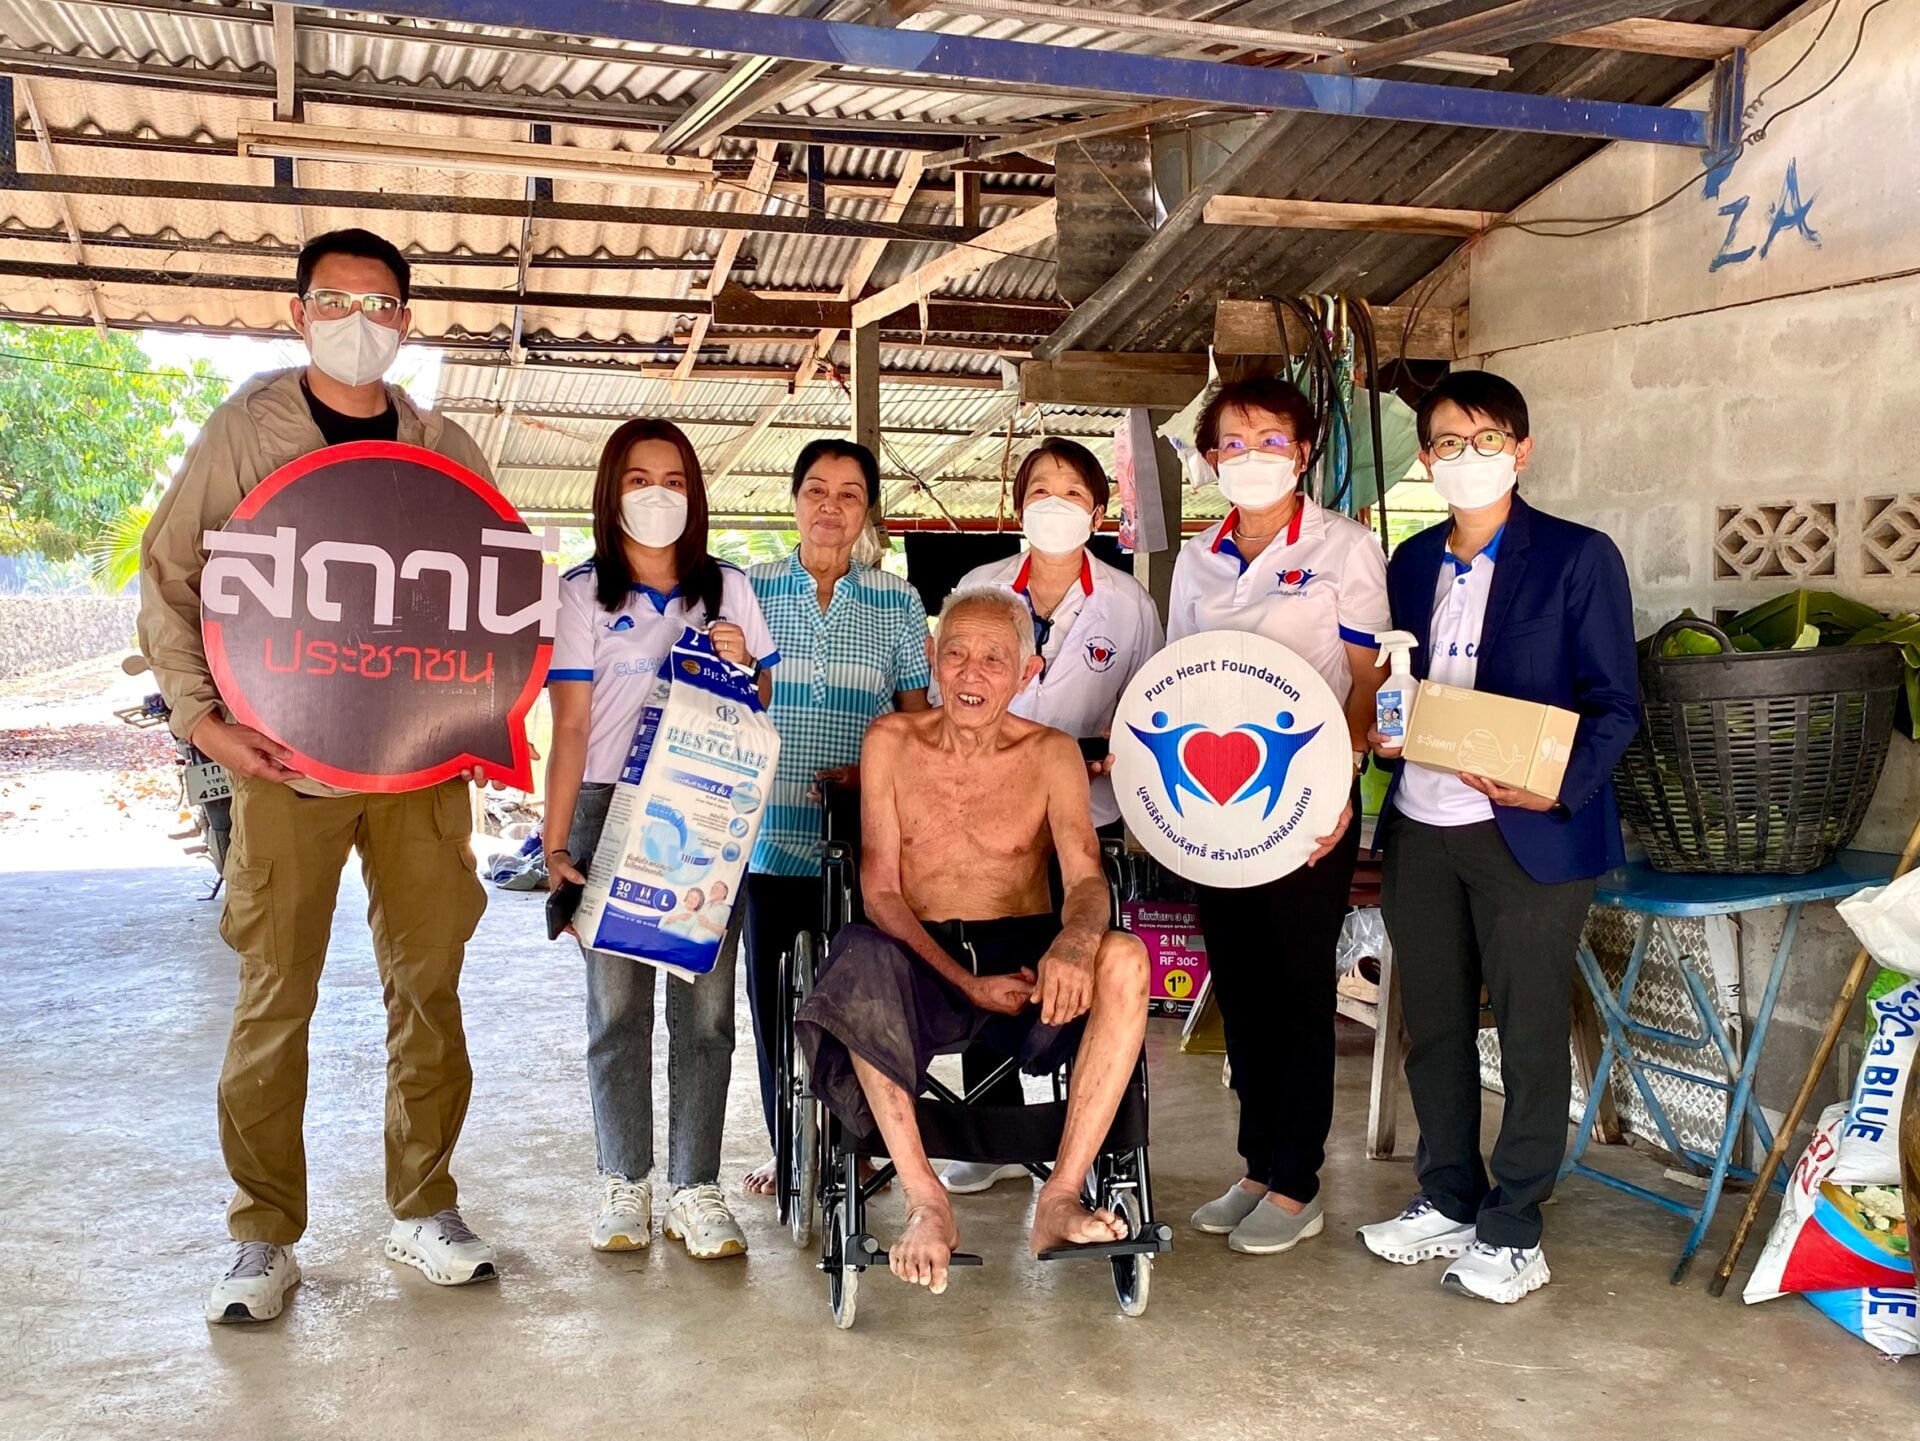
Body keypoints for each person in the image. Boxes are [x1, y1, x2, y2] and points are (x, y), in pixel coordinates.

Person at [138, 228, 500, 1324]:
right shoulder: (247, 433)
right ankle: (262, 1232)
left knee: (428, 989)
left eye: (380, 304)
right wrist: (204, 722)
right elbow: (172, 576)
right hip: (283, 762)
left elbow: (495, 593)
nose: (359, 322)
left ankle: (424, 1205)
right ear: (298, 312)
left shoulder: (443, 446)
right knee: (274, 994)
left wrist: (485, 721)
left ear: (406, 322)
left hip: (418, 771)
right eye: (336, 301)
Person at [1358, 370, 1638, 1304]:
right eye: (1448, 442)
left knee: (1527, 1030)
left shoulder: (1577, 557)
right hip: (1422, 825)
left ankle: (1515, 1225)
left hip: (1530, 832)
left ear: (1521, 450)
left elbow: (1616, 703)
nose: (1466, 457)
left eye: (1486, 440)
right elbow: (1400, 684)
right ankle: (1448, 1193)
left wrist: (1551, 783)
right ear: (1426, 459)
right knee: (1433, 1024)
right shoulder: (1409, 562)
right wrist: (1383, 734)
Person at [794, 588, 1150, 1293]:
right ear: (932, 658)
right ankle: (926, 1200)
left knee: (1125, 956)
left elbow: (1086, 878)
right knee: (857, 957)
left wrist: (1076, 942)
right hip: (918, 962)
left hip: (1028, 968)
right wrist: (963, 981)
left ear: (1027, 672)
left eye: (994, 659)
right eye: (955, 653)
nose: (970, 673)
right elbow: (881, 892)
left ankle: (1060, 1197)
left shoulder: (1051, 754)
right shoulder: (891, 742)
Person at [543, 418, 778, 1260]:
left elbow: (760, 705)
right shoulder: (581, 594)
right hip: (607, 807)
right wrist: (555, 844)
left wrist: (740, 661)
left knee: (706, 1009)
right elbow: (571, 726)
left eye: (674, 480)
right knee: (615, 1007)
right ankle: (624, 1180)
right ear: (611, 492)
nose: (657, 495)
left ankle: (694, 1187)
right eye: (639, 479)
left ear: (695, 494)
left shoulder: (729, 589)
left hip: (704, 806)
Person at [1167, 375, 1388, 1257]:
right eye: (1233, 441)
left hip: (1307, 803)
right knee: (1242, 987)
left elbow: (1369, 680)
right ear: (1210, 457)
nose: (1251, 456)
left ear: (1301, 454)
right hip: (1215, 805)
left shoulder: (1345, 547)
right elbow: (1178, 680)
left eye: (1270, 440)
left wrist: (1342, 780)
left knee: (1297, 991)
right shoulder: (1197, 559)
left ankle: (1298, 1182)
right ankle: (1257, 1165)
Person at [937, 437, 1162, 1195]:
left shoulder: (1127, 603)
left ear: (1097, 513)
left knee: (1077, 955)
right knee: (987, 947)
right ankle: (987, 1129)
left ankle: (1086, 1127)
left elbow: (1148, 709)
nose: (1055, 505)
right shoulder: (981, 586)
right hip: (984, 809)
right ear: (1018, 505)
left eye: (1073, 494)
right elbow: (949, 694)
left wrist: (1108, 758)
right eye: (1041, 490)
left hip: (1083, 811)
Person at [738, 439, 931, 1199]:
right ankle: (788, 1148)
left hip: (860, 842)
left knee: (859, 1005)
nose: (831, 506)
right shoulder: (748, 590)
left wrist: (871, 779)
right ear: (794, 501)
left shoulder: (898, 602)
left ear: (867, 512)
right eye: (816, 489)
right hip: (761, 836)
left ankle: (855, 1146)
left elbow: (917, 724)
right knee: (772, 1006)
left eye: (850, 494)